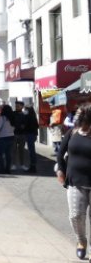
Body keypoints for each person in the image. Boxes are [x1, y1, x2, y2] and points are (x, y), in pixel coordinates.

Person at [55, 103, 91, 260]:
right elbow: (60, 153)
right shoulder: (73, 132)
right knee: (75, 216)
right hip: (75, 181)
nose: (76, 118)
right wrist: (60, 170)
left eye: (80, 115)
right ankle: (81, 241)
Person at [0, 104, 16, 174]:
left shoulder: (2, 117)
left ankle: (2, 168)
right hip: (11, 136)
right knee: (8, 154)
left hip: (3, 137)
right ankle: (8, 169)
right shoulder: (12, 118)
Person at [12, 101, 28, 171]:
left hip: (22, 134)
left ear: (22, 106)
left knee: (21, 150)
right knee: (13, 150)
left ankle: (22, 164)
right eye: (16, 106)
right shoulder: (13, 114)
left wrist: (24, 126)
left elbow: (26, 123)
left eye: (18, 106)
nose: (16, 107)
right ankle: (13, 164)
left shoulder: (25, 114)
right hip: (14, 134)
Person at [24, 105, 39, 173]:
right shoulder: (34, 116)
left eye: (25, 109)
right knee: (32, 150)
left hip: (29, 134)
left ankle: (33, 166)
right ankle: (33, 165)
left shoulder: (28, 117)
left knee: (31, 151)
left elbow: (26, 126)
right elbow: (37, 126)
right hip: (33, 135)